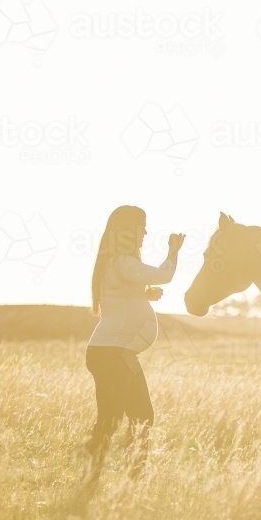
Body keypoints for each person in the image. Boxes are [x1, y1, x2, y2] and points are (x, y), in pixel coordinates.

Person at [85, 205, 185, 482]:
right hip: (112, 354)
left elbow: (120, 299)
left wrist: (144, 295)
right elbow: (164, 275)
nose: (145, 232)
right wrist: (174, 250)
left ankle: (134, 478)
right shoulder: (122, 262)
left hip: (120, 354)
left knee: (141, 417)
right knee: (111, 418)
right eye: (142, 226)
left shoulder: (114, 263)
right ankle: (91, 474)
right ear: (128, 230)